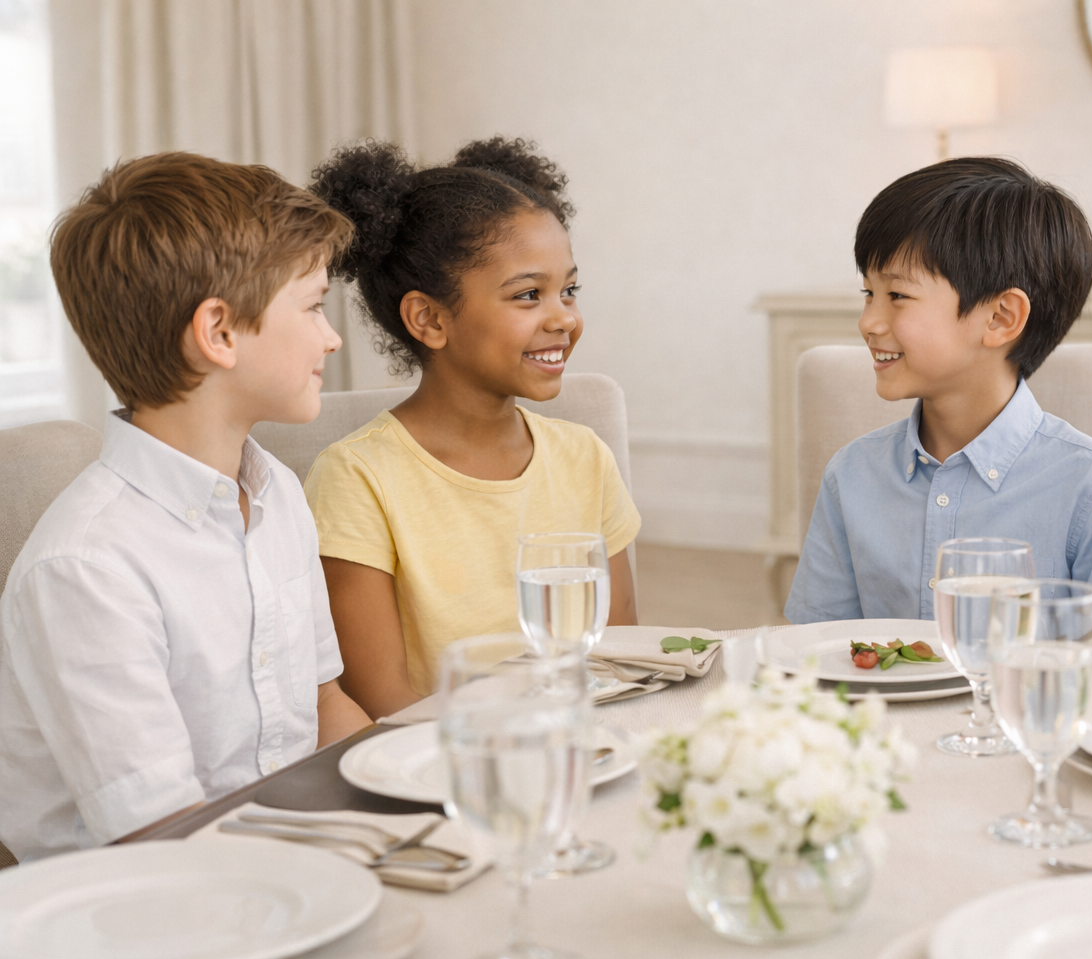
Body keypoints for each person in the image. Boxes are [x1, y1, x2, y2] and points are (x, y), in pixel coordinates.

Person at [0, 152, 373, 860]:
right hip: (146, 909)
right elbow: (165, 839)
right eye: (314, 306)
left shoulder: (277, 496)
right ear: (220, 333)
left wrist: (421, 809)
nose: (330, 337)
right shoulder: (87, 567)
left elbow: (327, 711)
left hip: (278, 859)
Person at [785, 158, 1092, 666]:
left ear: (1000, 317)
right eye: (868, 293)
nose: (869, 322)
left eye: (897, 295)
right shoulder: (850, 476)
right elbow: (816, 657)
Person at [306, 138, 641, 718]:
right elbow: (381, 704)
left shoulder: (585, 457)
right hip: (444, 771)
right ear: (430, 319)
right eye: (529, 295)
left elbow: (622, 661)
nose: (564, 317)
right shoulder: (357, 478)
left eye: (569, 290)